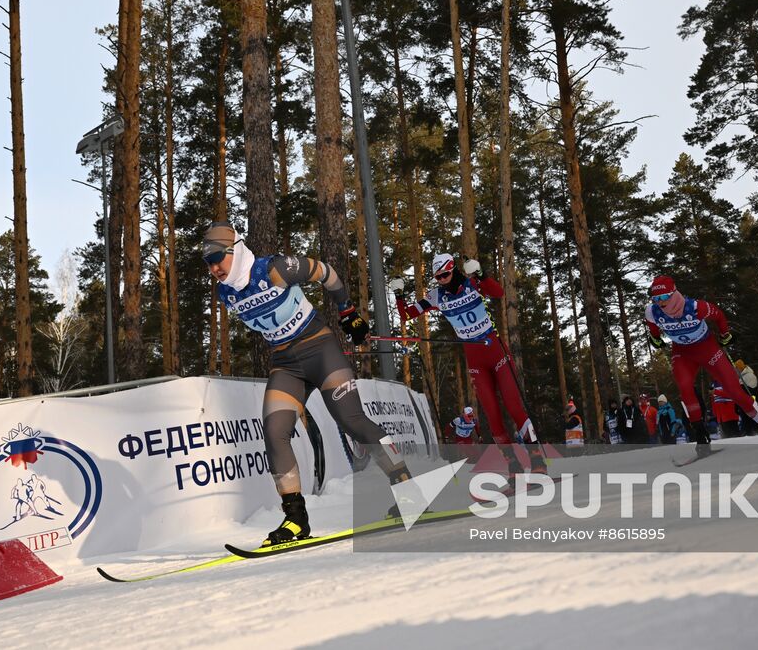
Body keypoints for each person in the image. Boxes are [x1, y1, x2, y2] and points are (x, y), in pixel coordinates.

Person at [203, 221, 409, 545]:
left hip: (321, 350)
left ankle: (409, 490)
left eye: (218, 257)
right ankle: (296, 518)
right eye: (208, 261)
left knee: (351, 420)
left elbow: (327, 273)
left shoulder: (275, 269)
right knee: (274, 431)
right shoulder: (225, 292)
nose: (214, 267)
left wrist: (348, 311)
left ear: (235, 250)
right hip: (285, 363)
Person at [395, 255, 542, 460]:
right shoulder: (436, 296)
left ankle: (538, 463)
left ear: (453, 269)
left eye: (445, 274)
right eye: (438, 277)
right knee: (492, 415)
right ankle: (514, 470)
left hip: (495, 350)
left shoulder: (472, 284)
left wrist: (481, 274)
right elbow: (406, 315)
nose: (442, 279)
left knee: (513, 405)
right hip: (475, 359)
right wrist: (398, 294)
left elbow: (498, 292)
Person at [643, 274, 758, 456]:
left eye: (664, 297)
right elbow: (652, 326)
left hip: (707, 349)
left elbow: (718, 315)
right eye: (656, 298)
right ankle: (701, 438)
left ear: (674, 293)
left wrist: (725, 335)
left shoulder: (695, 307)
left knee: (735, 391)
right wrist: (655, 338)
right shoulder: (652, 311)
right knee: (685, 388)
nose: (660, 302)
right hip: (683, 353)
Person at [734, 359, 758, 434]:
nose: (735, 370)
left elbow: (751, 391)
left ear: (740, 368)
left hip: (751, 403)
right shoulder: (740, 377)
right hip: (745, 404)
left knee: (752, 421)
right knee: (746, 421)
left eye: (736, 368)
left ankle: (756, 432)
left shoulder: (749, 375)